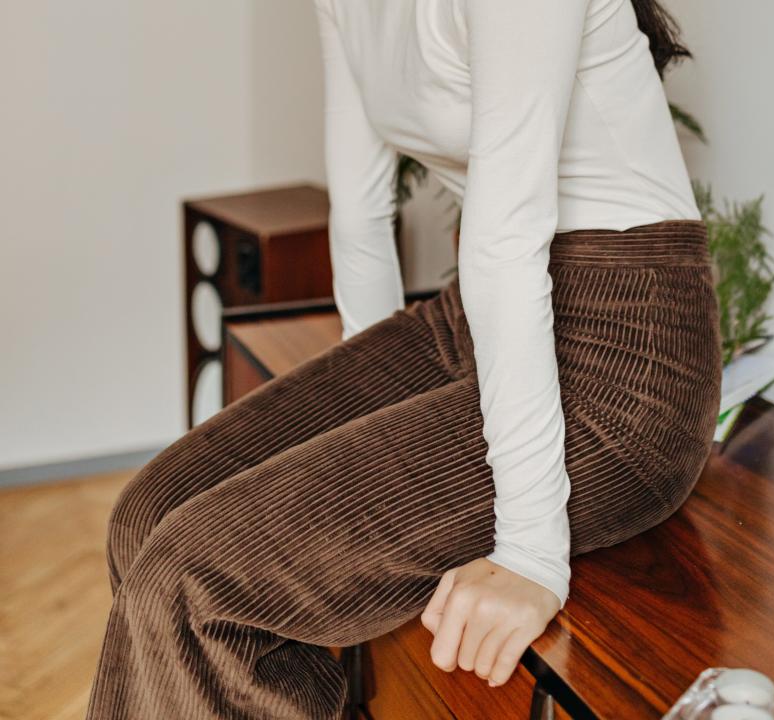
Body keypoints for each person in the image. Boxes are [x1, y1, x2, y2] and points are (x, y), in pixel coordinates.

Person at [85, 0, 722, 717]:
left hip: (626, 365)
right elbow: (360, 219)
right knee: (146, 516)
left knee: (190, 580)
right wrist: (363, 427)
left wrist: (531, 556)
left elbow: (508, 242)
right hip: (478, 321)